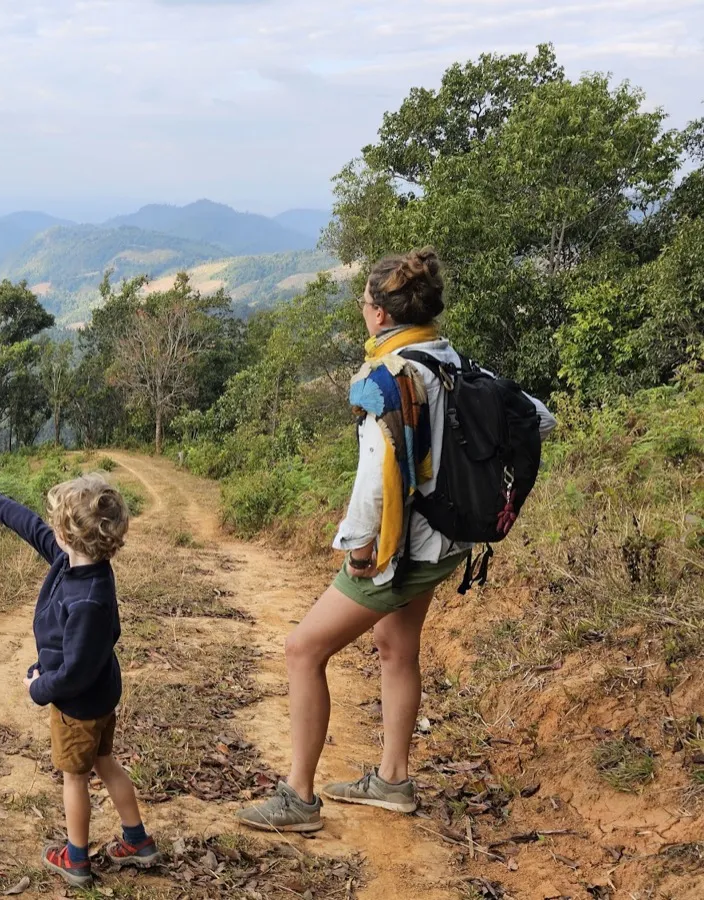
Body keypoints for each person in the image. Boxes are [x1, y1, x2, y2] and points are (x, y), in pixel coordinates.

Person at [236, 248, 555, 833]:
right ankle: (392, 780)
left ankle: (299, 797)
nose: (363, 311)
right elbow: (539, 417)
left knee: (303, 650)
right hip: (449, 539)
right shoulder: (450, 360)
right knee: (395, 644)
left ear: (380, 314)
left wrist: (358, 548)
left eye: (364, 302)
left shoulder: (387, 378)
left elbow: (375, 480)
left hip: (404, 548)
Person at [0, 476, 158, 887]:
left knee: (75, 778)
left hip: (78, 706)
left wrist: (39, 688)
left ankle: (76, 858)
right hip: (100, 696)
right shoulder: (76, 562)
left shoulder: (88, 600)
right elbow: (30, 526)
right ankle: (137, 840)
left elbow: (74, 674)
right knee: (105, 763)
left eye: (55, 526)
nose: (49, 531)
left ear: (66, 534)